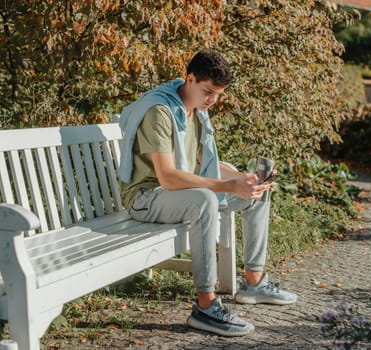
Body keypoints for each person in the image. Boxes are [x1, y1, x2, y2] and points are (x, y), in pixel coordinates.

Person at [117, 49, 297, 337]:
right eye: (208, 91)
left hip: (175, 197)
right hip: (146, 198)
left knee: (256, 192)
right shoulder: (160, 111)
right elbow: (168, 176)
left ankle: (254, 282)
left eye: (218, 94)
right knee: (204, 199)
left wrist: (242, 178)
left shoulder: (195, 111)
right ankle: (205, 305)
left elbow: (203, 164)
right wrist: (227, 186)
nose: (212, 100)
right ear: (190, 79)